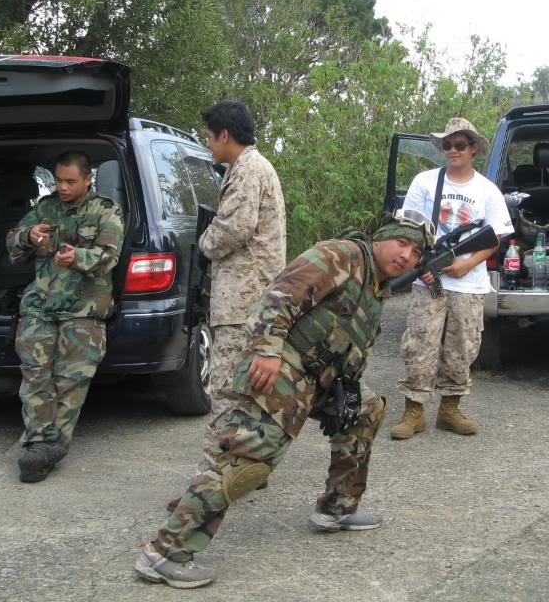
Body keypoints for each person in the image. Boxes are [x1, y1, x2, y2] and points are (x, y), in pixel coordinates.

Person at [134, 210, 435, 589]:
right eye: (401, 243)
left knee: (366, 411)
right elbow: (279, 295)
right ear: (381, 238)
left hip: (322, 378)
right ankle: (164, 553)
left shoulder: (377, 283)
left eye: (416, 251)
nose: (407, 255)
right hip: (283, 366)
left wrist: (348, 391)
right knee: (248, 461)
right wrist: (267, 348)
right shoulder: (341, 255)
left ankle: (337, 508)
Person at [6, 151, 124, 482]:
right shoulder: (45, 209)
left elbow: (108, 257)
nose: (63, 187)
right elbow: (13, 246)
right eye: (58, 180)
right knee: (35, 372)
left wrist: (78, 257)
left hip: (83, 307)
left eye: (70, 181)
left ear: (88, 179)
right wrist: (28, 237)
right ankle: (37, 444)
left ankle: (51, 445)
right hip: (41, 304)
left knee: (71, 377)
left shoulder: (106, 211)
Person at [390, 118, 510, 441]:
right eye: (448, 145)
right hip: (428, 278)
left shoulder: (487, 190)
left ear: (473, 149)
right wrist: (423, 264)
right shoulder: (425, 183)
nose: (453, 150)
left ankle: (449, 409)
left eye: (460, 144)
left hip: (468, 284)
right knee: (420, 343)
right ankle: (413, 412)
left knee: (462, 347)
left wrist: (465, 264)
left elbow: (495, 238)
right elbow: (409, 231)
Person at [197, 100, 286, 422]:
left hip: (242, 303)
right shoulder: (248, 167)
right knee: (245, 392)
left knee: (228, 391)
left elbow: (235, 227)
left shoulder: (248, 169)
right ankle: (245, 464)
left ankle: (231, 463)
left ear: (224, 135)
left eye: (208, 136)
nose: (207, 143)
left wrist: (203, 244)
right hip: (246, 299)